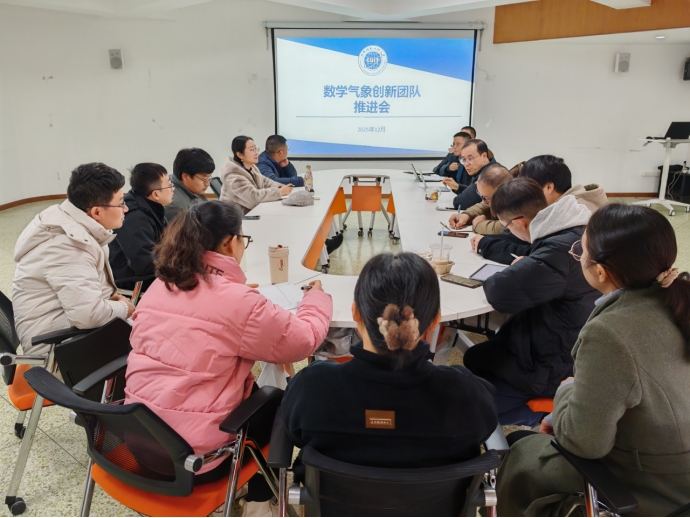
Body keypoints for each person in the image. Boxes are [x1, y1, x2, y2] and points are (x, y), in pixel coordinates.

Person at [124, 200, 332, 513]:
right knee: (278, 400)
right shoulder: (237, 301)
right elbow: (302, 341)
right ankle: (260, 498)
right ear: (229, 243)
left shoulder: (161, 285)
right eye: (244, 239)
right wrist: (316, 299)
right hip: (198, 459)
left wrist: (237, 296)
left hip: (138, 443)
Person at [497, 204, 690, 517]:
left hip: (653, 488)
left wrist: (566, 391)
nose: (578, 254)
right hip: (674, 463)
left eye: (581, 250)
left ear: (600, 271)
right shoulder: (676, 301)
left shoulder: (610, 332)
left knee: (520, 450)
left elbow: (585, 443)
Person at [281, 252, 498, 469]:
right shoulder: (467, 396)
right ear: (435, 321)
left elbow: (295, 435)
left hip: (329, 492)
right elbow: (486, 429)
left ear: (355, 313)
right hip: (438, 493)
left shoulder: (311, 388)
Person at [461, 178, 599, 427]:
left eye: (506, 227)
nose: (508, 232)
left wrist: (523, 268)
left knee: (465, 410)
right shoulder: (576, 228)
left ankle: (542, 415)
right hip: (571, 342)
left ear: (519, 223)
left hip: (553, 365)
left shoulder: (556, 252)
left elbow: (498, 292)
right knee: (474, 357)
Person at [13, 163, 135, 355]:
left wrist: (109, 303)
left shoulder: (65, 218)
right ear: (96, 212)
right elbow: (88, 315)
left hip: (72, 331)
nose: (126, 208)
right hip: (58, 352)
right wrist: (123, 308)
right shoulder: (69, 246)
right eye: (120, 203)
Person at [471, 155, 608, 265]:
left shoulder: (573, 212)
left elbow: (538, 251)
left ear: (548, 187)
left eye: (530, 186)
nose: (524, 192)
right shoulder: (563, 204)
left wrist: (485, 240)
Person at [109, 163, 172, 291]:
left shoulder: (153, 210)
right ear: (155, 194)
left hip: (150, 277)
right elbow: (145, 264)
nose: (172, 189)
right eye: (169, 185)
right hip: (133, 284)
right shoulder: (134, 217)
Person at [220, 136, 293, 214]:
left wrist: (281, 187)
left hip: (251, 212)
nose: (256, 153)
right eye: (251, 150)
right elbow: (253, 196)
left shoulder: (251, 167)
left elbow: (265, 181)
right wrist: (278, 192)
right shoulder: (233, 176)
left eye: (255, 149)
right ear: (240, 154)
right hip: (235, 217)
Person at [449, 164, 513, 235]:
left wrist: (479, 224)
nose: (483, 200)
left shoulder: (516, 207)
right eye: (480, 195)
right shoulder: (492, 199)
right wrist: (467, 215)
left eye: (486, 198)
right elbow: (483, 205)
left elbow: (507, 228)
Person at [442, 139, 497, 210]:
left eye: (470, 158)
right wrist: (458, 187)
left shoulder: (490, 175)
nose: (466, 164)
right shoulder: (490, 168)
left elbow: (460, 203)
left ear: (484, 156)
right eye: (463, 159)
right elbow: (476, 195)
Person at [165, 148, 214, 222]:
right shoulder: (175, 205)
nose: (208, 184)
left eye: (209, 178)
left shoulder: (193, 189)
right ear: (185, 176)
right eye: (204, 179)